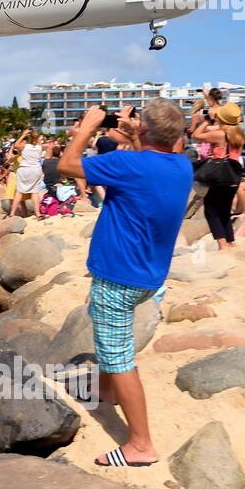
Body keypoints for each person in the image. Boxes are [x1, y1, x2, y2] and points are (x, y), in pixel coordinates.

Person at [56, 99, 193, 468]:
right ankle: (104, 391)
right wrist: (137, 136)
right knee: (110, 339)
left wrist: (87, 126)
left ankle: (141, 444)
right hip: (149, 275)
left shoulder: (128, 164)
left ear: (145, 131)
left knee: (119, 357)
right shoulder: (181, 166)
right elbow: (148, 165)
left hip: (119, 275)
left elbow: (67, 166)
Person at [190, 101, 245, 250]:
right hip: (233, 175)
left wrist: (208, 119)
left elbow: (195, 135)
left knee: (211, 210)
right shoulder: (239, 133)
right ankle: (230, 241)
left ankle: (222, 244)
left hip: (219, 176)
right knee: (225, 211)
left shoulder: (221, 134)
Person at [8, 129, 46, 218]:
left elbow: (15, 145)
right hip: (36, 169)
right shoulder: (39, 147)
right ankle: (38, 214)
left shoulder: (24, 146)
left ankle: (12, 213)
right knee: (35, 192)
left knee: (19, 191)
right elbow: (38, 142)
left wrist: (23, 135)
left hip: (25, 169)